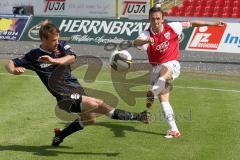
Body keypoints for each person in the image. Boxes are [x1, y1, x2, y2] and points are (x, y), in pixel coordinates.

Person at [5, 21, 151, 146]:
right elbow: (10, 62)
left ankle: (60, 136)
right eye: (53, 40)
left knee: (91, 119)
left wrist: (54, 61)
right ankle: (139, 116)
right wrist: (13, 70)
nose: (57, 42)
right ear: (44, 40)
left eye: (58, 39)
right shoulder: (34, 55)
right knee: (97, 103)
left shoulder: (61, 46)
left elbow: (72, 58)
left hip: (75, 89)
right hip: (64, 96)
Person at [132, 6, 226, 138]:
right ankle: (174, 130)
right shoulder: (146, 34)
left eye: (158, 18)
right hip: (155, 69)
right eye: (153, 19)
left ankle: (153, 90)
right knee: (164, 100)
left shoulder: (173, 27)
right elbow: (135, 42)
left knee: (166, 68)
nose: (156, 21)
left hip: (172, 64)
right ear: (149, 19)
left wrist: (214, 23)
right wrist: (146, 40)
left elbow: (193, 23)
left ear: (163, 19)